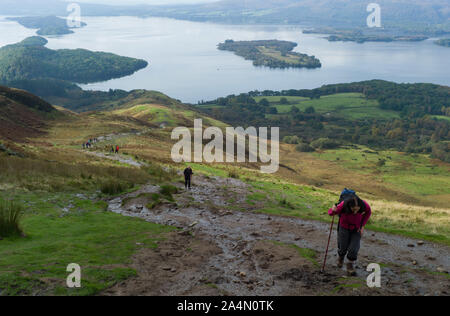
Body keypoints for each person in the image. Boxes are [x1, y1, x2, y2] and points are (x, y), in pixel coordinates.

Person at [328, 195, 371, 276]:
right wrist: (333, 209)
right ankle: (341, 258)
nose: (355, 212)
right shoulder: (343, 205)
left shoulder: (364, 205)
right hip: (344, 228)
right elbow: (331, 213)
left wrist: (362, 226)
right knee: (342, 246)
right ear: (349, 206)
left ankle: (350, 265)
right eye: (353, 209)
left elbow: (368, 212)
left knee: (354, 248)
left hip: (356, 229)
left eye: (357, 210)